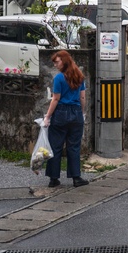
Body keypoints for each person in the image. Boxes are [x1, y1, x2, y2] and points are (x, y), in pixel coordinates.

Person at [43, 50, 89, 188]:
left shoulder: (59, 78)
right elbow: (82, 97)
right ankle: (76, 178)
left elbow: (55, 99)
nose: (55, 65)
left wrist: (48, 116)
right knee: (74, 147)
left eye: (57, 62)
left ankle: (53, 178)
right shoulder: (79, 76)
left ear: (64, 61)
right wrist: (80, 112)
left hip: (61, 113)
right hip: (76, 113)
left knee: (55, 146)